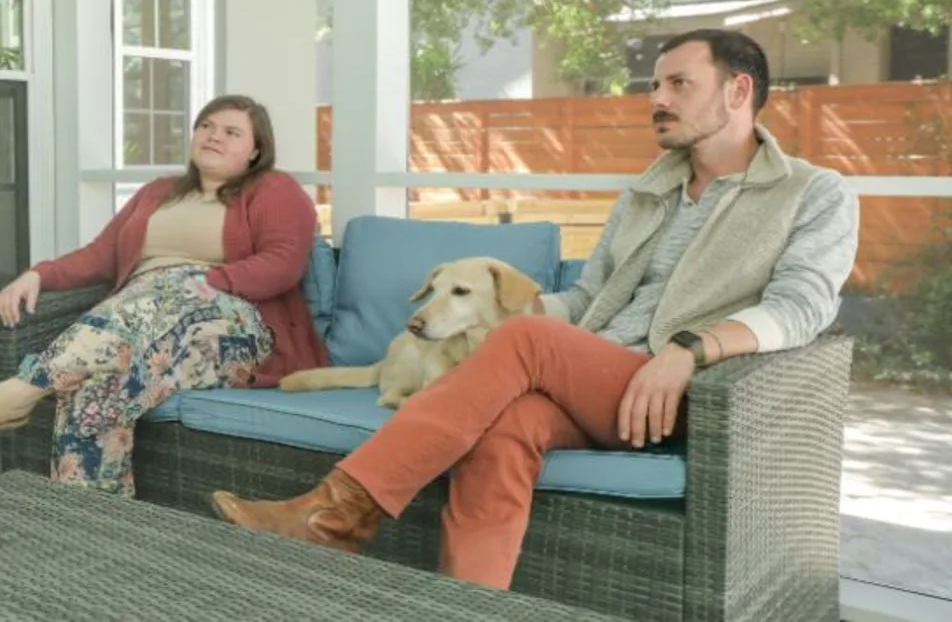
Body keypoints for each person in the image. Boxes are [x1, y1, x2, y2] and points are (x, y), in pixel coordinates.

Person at [208, 29, 860, 589]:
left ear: (738, 91)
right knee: (507, 428)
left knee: (525, 339)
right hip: (602, 380)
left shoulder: (812, 193)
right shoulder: (648, 192)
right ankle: (468, 604)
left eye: (679, 85)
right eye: (656, 85)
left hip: (693, 396)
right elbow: (587, 300)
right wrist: (496, 313)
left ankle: (334, 517)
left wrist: (688, 350)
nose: (657, 99)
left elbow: (802, 307)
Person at [0, 94, 327, 496]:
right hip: (144, 323)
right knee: (101, 386)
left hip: (236, 326)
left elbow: (282, 262)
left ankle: (20, 391)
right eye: (206, 126)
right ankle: (91, 515)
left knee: (167, 288)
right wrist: (38, 274)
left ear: (255, 150)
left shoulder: (274, 189)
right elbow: (102, 255)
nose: (214, 136)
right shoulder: (158, 192)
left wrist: (205, 281)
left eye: (231, 132)